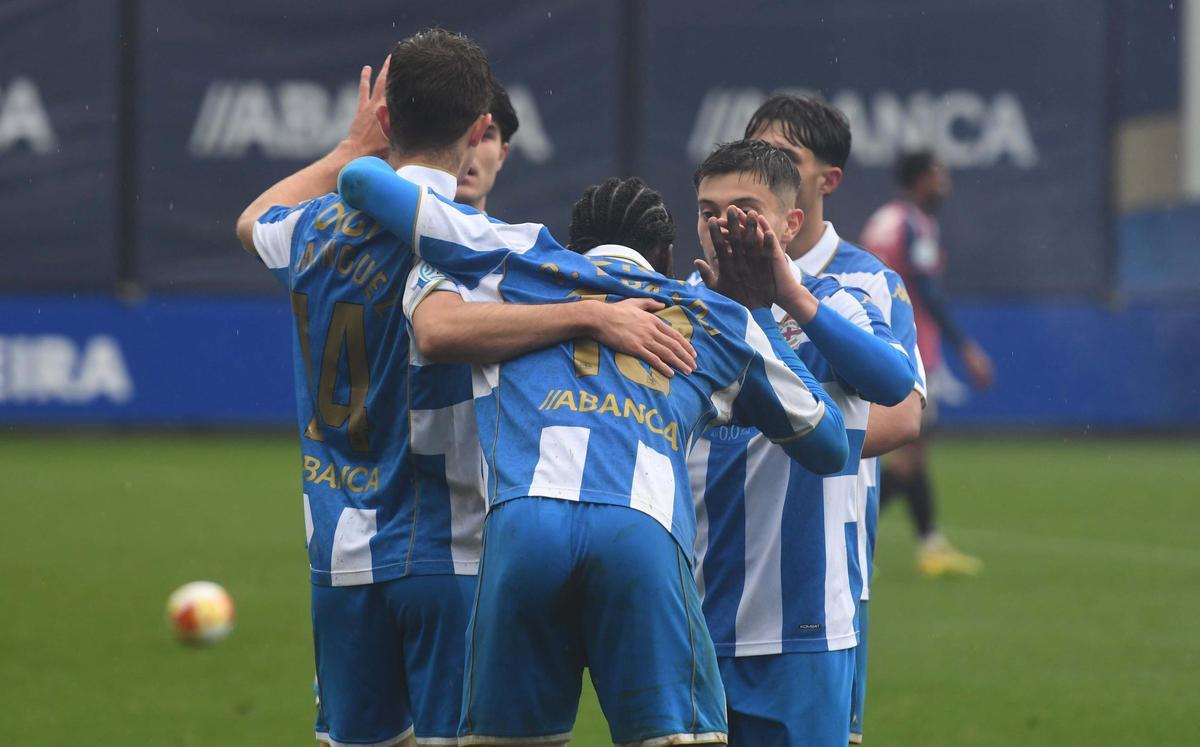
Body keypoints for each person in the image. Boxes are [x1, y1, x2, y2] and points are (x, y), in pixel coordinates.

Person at [234, 30, 694, 747]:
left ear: (386, 120)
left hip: (339, 552)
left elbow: (251, 220)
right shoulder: (478, 246)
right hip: (449, 553)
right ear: (483, 128)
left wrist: (349, 149)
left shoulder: (314, 231)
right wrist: (596, 316)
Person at [337, 156, 851, 746]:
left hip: (520, 530)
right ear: (664, 262)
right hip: (643, 535)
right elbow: (830, 444)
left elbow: (359, 181)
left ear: (575, 248)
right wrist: (756, 311)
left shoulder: (516, 258)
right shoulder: (715, 317)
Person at [686, 139, 917, 746]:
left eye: (743, 208)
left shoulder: (832, 302)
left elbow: (893, 384)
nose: (722, 226)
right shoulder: (672, 309)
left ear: (791, 223)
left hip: (803, 626)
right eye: (709, 211)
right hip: (688, 624)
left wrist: (788, 297)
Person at [740, 95, 929, 745]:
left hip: (823, 574)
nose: (766, 171)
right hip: (722, 566)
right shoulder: (713, 278)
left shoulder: (868, 285)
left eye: (787, 159)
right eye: (757, 154)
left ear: (828, 180)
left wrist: (784, 438)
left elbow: (903, 416)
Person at [860, 149, 993, 579]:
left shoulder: (884, 219)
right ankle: (852, 537)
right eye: (937, 173)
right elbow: (928, 291)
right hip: (912, 349)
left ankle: (929, 544)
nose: (944, 180)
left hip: (876, 345)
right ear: (920, 180)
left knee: (910, 453)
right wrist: (967, 348)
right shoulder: (916, 225)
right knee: (910, 455)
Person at [455, 83, 517, 212]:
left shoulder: (524, 233)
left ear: (501, 155)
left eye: (484, 135)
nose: (470, 146)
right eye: (457, 131)